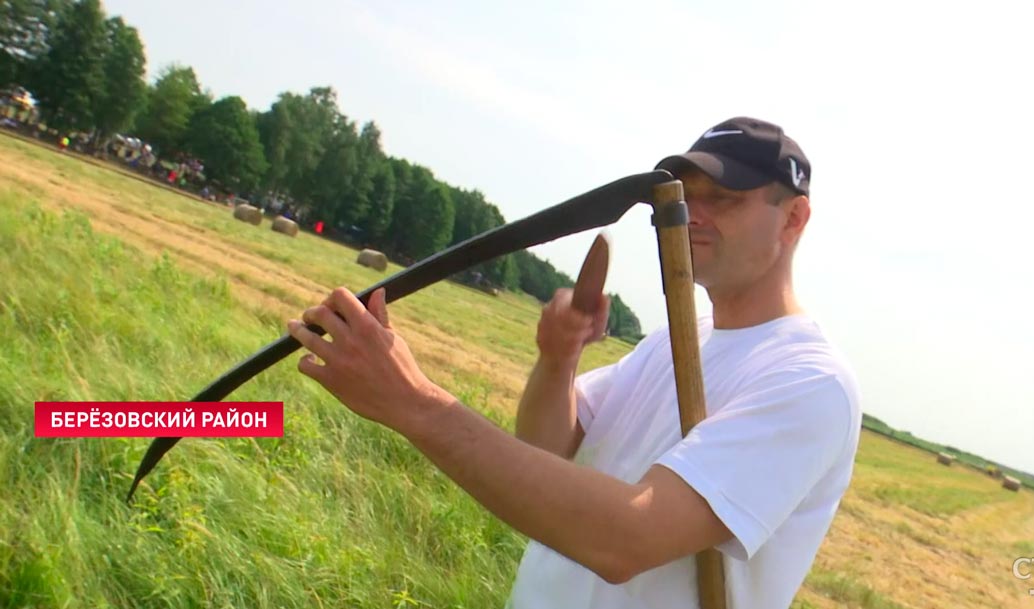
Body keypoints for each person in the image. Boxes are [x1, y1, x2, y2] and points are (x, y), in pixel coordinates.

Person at [287, 117, 861, 609]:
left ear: (793, 219)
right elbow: (547, 444)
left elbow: (626, 539)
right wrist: (558, 360)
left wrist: (415, 403)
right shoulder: (679, 341)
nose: (695, 215)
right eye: (689, 196)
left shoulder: (808, 381)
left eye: (725, 198)